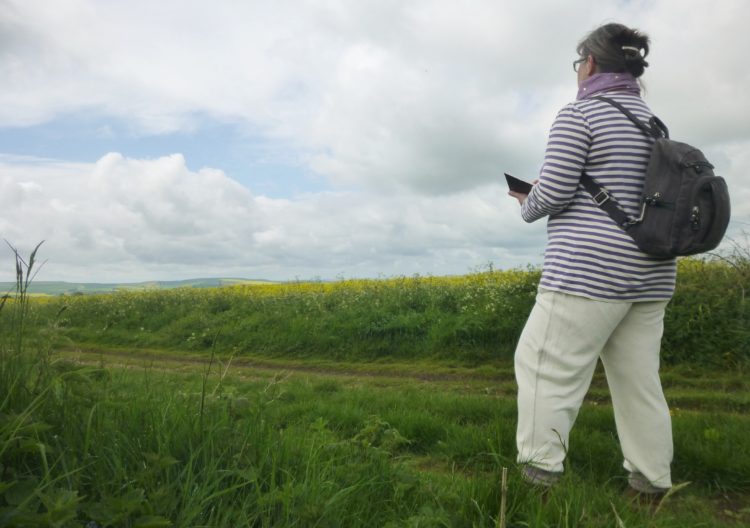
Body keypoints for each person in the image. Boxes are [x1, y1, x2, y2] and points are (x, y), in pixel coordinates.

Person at [508, 23, 676, 495]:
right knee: (639, 382)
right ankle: (651, 483)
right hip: (652, 275)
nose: (578, 71)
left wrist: (527, 203)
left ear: (592, 64)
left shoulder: (580, 114)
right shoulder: (653, 123)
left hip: (589, 272)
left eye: (579, 62)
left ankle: (539, 478)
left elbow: (555, 191)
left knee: (544, 366)